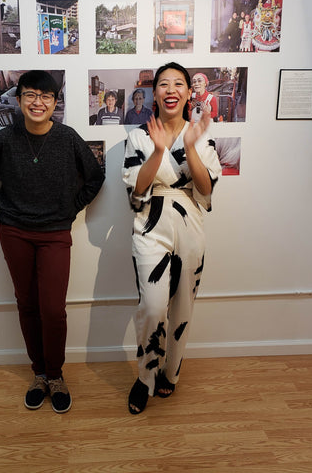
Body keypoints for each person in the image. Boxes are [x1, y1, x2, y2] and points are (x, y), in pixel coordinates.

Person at [0, 70, 104, 413]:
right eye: (30, 95)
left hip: (55, 233)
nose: (37, 102)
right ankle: (38, 373)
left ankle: (56, 375)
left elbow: (96, 175)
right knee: (26, 305)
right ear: (19, 99)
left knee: (53, 310)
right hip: (15, 232)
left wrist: (72, 206)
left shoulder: (68, 137)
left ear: (55, 103)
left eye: (46, 96)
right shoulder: (4, 138)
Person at [122, 62, 221, 415]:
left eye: (178, 84)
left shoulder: (201, 135)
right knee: (151, 307)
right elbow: (137, 188)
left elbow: (206, 189)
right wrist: (159, 151)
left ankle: (171, 372)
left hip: (189, 224)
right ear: (155, 93)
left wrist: (190, 147)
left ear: (188, 93)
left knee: (182, 307)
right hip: (150, 225)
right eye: (163, 84)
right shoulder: (138, 136)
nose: (171, 90)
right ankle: (144, 378)